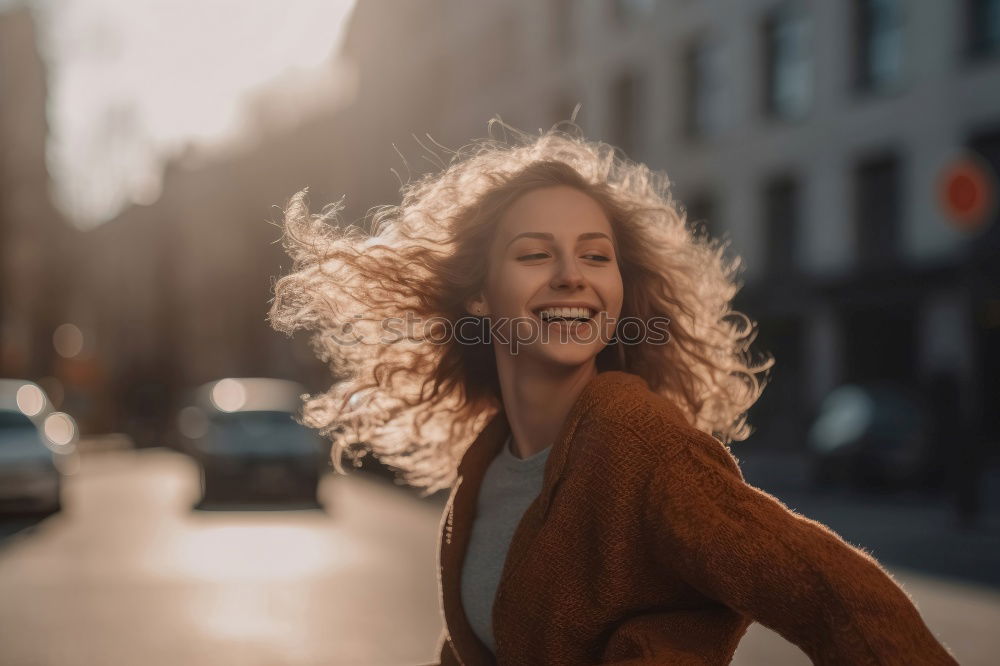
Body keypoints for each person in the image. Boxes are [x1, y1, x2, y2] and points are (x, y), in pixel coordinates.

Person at [268, 120, 959, 665]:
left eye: (597, 256)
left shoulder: (640, 441)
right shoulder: (488, 466)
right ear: (478, 295)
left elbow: (834, 595)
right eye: (536, 253)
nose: (573, 275)